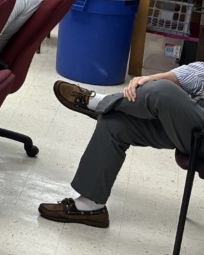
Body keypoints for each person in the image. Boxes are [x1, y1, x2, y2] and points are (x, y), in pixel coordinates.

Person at [40, 65, 204, 228]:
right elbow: (198, 73)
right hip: (193, 124)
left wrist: (158, 83)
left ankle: (102, 103)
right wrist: (150, 80)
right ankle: (91, 206)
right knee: (114, 121)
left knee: (163, 91)